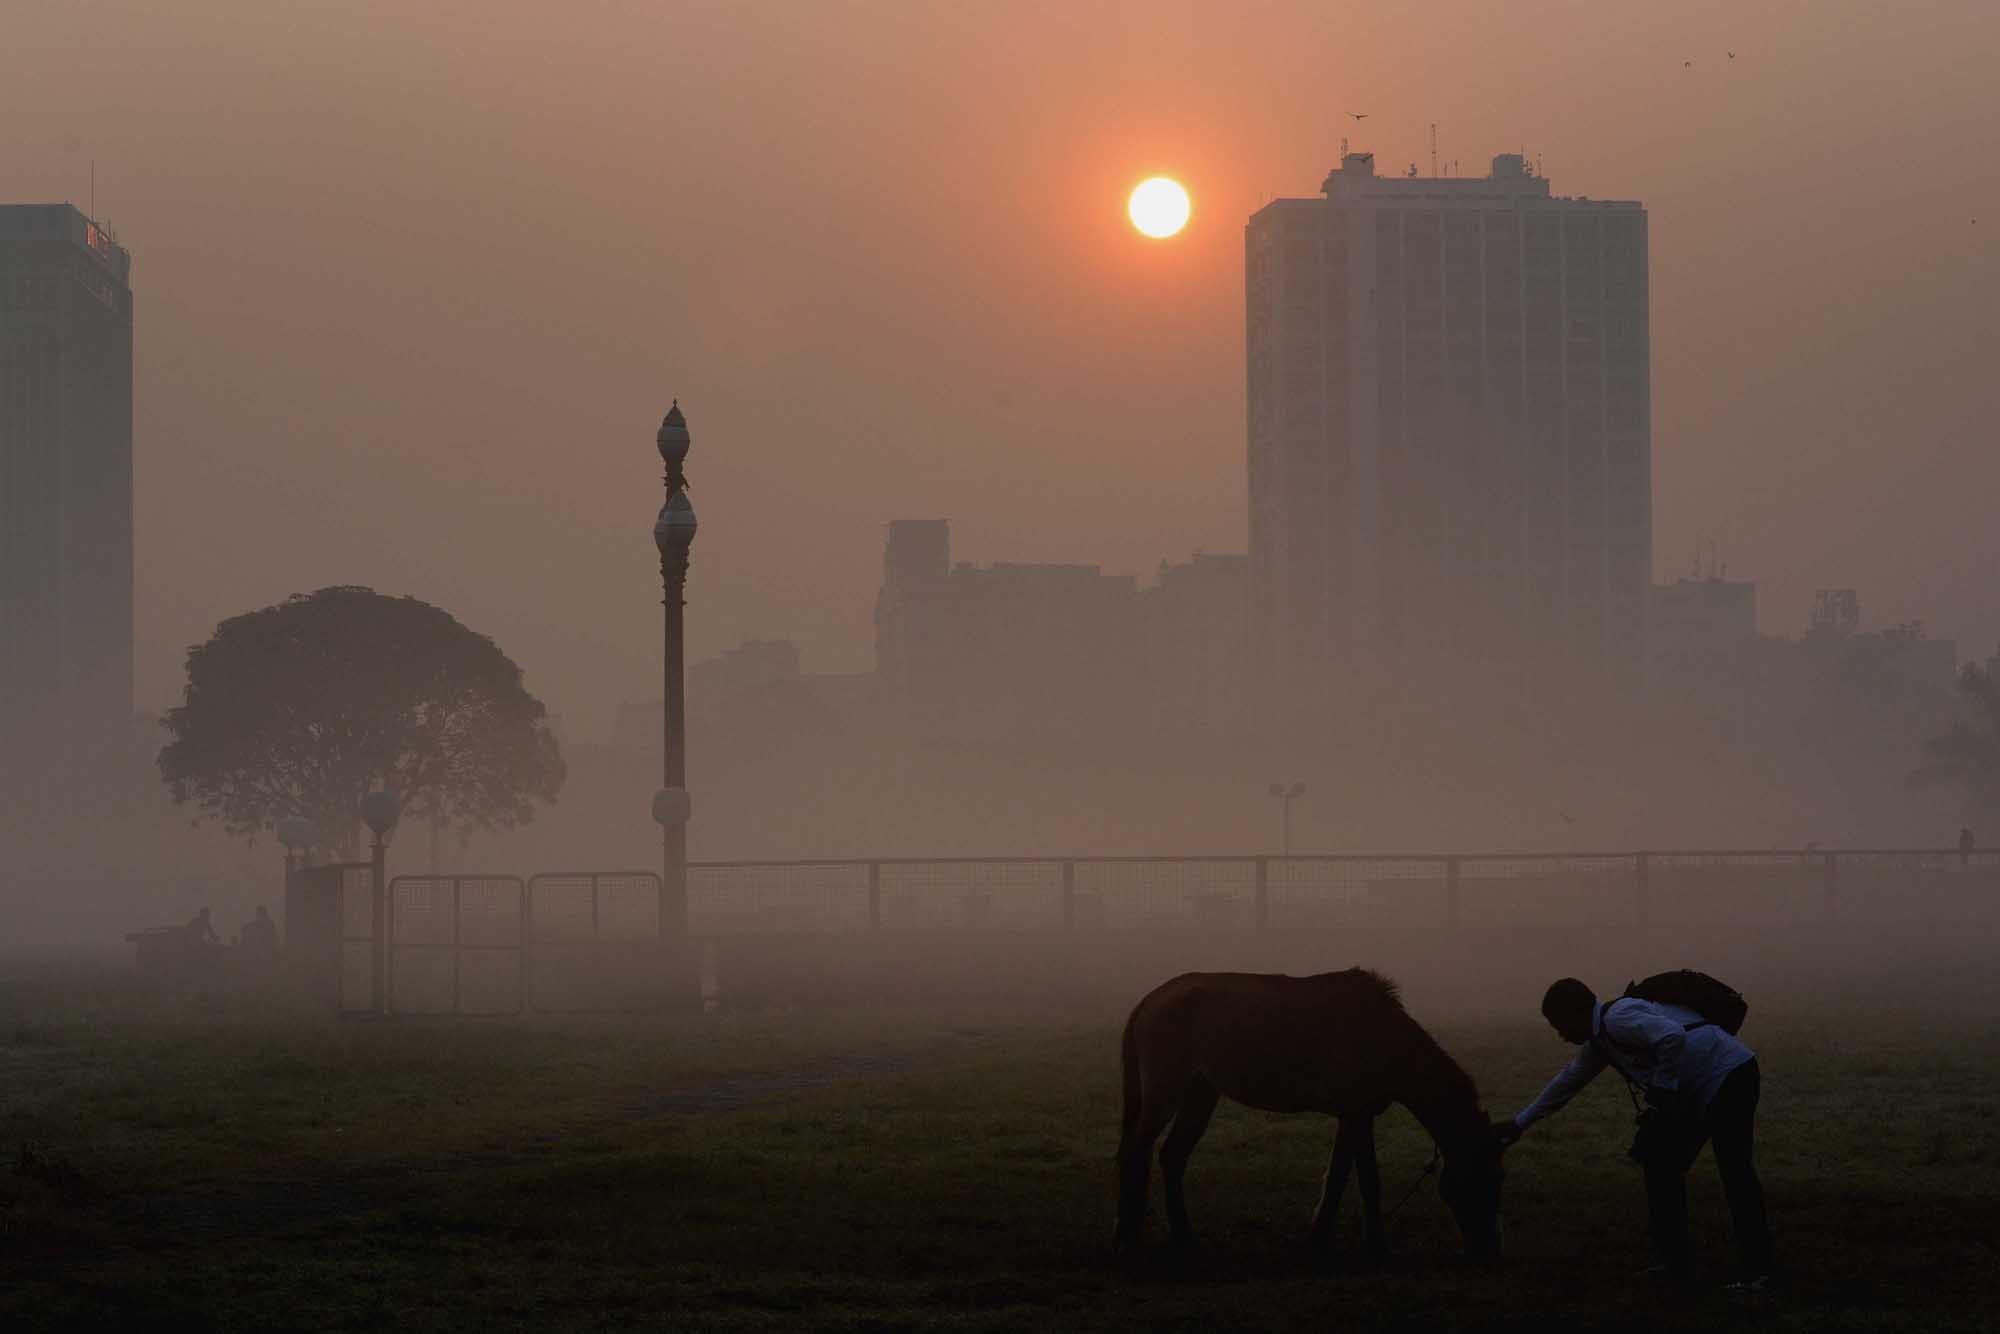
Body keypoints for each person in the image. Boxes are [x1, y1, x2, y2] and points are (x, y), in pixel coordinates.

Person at [1499, 977, 1774, 1288]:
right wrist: (1520, 1124)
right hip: (1706, 1084)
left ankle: (1759, 1270)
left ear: (1576, 1014)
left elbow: (1672, 1037)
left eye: (1559, 1025)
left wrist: (1663, 1087)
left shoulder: (1618, 1019)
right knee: (1661, 1165)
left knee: (1734, 1172)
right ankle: (1675, 1263)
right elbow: (1568, 1082)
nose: (1561, 1036)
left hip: (1730, 1076)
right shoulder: (1600, 1040)